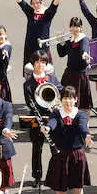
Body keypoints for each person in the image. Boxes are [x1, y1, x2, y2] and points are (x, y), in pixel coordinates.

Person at [45, 86, 92, 194]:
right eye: (65, 98)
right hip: (60, 154)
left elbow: (83, 126)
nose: (68, 101)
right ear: (61, 100)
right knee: (61, 188)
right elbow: (52, 123)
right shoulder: (55, 113)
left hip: (77, 154)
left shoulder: (81, 115)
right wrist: (47, 128)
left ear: (75, 100)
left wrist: (87, 135)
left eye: (71, 98)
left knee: (77, 187)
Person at [5, 0, 67, 74]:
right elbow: (21, 1)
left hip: (43, 49)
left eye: (37, 3)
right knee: (29, 73)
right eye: (33, 3)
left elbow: (55, 4)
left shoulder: (47, 14)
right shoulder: (30, 13)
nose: (35, 5)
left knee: (46, 74)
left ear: (42, 3)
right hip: (30, 48)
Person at [22, 51, 61, 186]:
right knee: (37, 148)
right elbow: (29, 103)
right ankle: (37, 177)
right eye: (38, 62)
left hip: (52, 118)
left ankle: (55, 176)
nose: (40, 65)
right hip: (37, 118)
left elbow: (60, 90)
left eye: (43, 62)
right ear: (33, 64)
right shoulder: (28, 84)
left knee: (54, 148)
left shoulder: (52, 78)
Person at [57, 17, 94, 111]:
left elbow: (84, 49)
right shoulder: (70, 40)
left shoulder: (84, 39)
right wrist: (60, 42)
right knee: (65, 97)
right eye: (72, 26)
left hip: (80, 75)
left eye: (77, 26)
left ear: (81, 28)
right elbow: (61, 54)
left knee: (80, 103)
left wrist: (85, 54)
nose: (74, 29)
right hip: (69, 73)